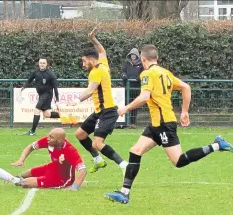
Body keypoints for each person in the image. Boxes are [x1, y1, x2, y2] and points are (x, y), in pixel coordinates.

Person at [105, 44, 233, 204]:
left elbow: (144, 97)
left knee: (178, 161)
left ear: (143, 59)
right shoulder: (165, 73)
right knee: (135, 151)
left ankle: (217, 145)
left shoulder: (147, 73)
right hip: (157, 123)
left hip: (164, 124)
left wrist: (126, 108)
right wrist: (185, 111)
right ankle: (124, 193)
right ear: (156, 58)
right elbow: (186, 87)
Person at [69, 27, 128, 175]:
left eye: (83, 61)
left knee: (97, 143)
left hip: (107, 112)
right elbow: (102, 51)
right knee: (80, 135)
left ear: (90, 59)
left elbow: (90, 90)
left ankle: (124, 164)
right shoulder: (102, 64)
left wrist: (76, 100)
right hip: (98, 112)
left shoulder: (96, 72)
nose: (83, 64)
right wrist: (93, 39)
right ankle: (98, 160)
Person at [11, 128, 87, 190]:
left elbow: (83, 171)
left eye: (51, 137)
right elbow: (31, 147)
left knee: (25, 183)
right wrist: (21, 160)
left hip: (62, 178)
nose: (48, 138)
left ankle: (37, 180)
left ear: (60, 141)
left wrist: (74, 187)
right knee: (24, 174)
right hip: (52, 167)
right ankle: (25, 180)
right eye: (49, 135)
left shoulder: (70, 150)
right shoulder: (48, 141)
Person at [21, 58, 60, 136]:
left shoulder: (50, 74)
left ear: (46, 64)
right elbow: (30, 80)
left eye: (43, 63)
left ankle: (32, 131)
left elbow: (55, 88)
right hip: (41, 95)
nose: (42, 64)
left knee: (36, 110)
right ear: (38, 63)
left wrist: (57, 100)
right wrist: (24, 87)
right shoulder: (36, 72)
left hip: (47, 95)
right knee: (46, 114)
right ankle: (65, 115)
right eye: (40, 63)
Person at [121, 48, 143, 129]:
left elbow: (144, 73)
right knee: (126, 104)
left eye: (134, 55)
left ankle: (132, 124)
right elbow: (123, 71)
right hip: (127, 88)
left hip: (136, 88)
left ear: (137, 56)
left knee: (134, 106)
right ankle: (124, 123)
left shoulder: (141, 64)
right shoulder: (126, 63)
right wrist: (124, 75)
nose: (133, 56)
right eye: (132, 55)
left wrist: (139, 77)